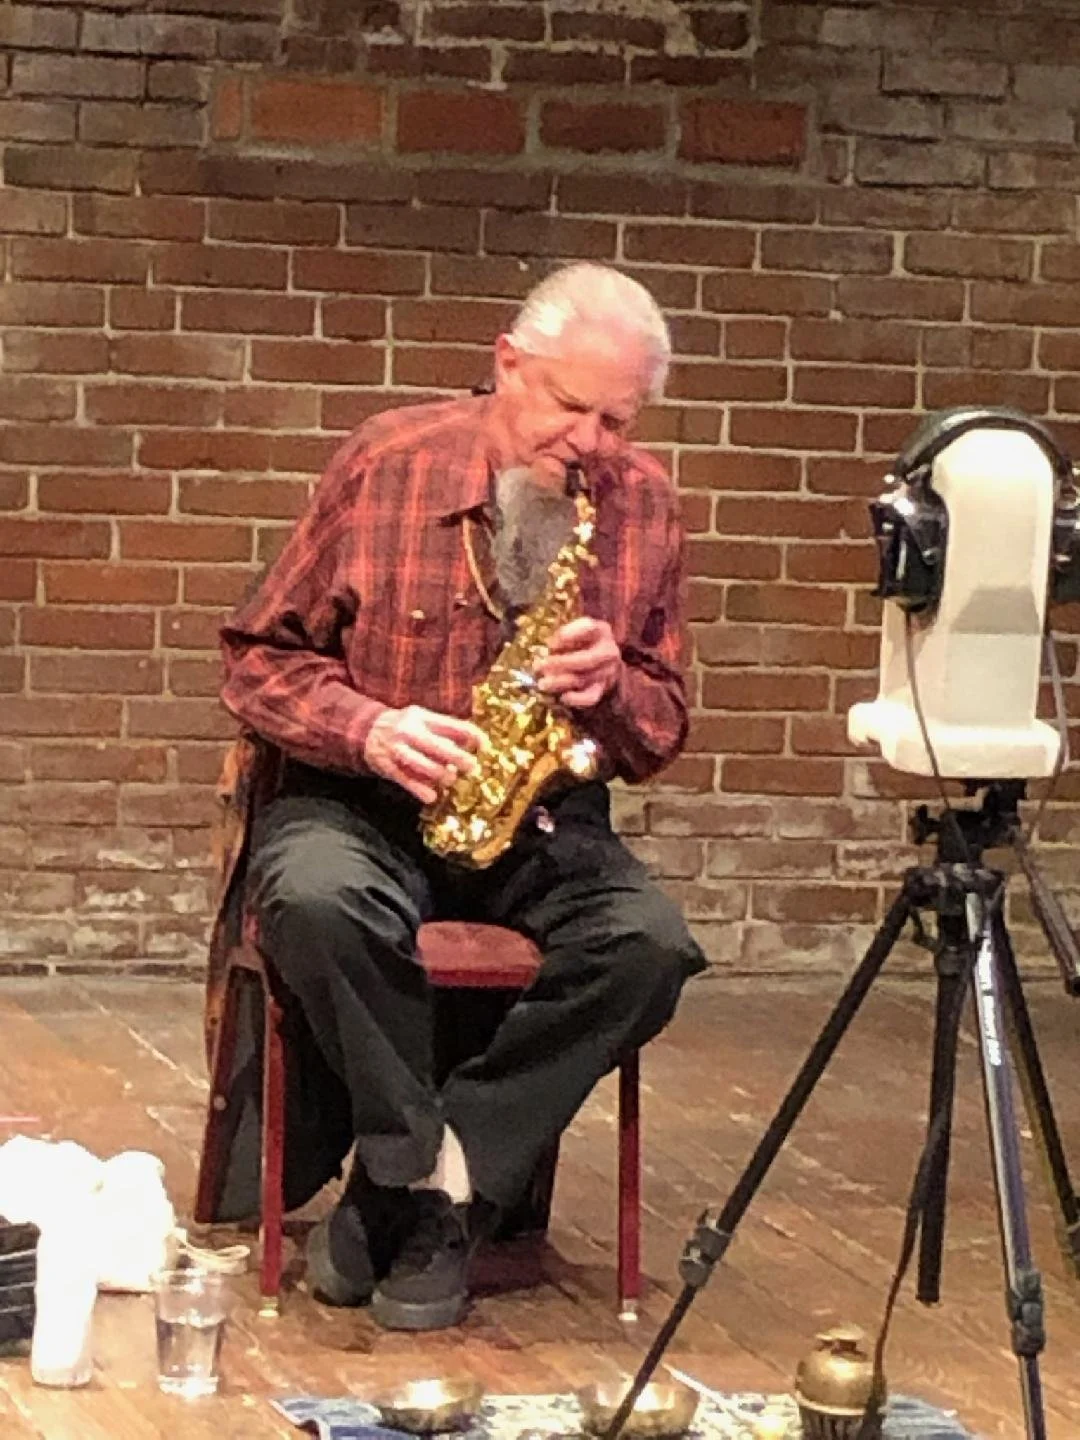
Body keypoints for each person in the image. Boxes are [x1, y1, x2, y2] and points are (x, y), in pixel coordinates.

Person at [219, 261, 707, 1332]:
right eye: (571, 407)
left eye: (617, 422)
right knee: (313, 899)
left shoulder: (644, 506)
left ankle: (429, 1183)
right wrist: (371, 727)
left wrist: (613, 685)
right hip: (364, 799)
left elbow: (663, 725)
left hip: (538, 817)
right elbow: (255, 660)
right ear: (507, 364)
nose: (590, 444)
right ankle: (409, 1178)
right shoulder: (386, 460)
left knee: (650, 946)